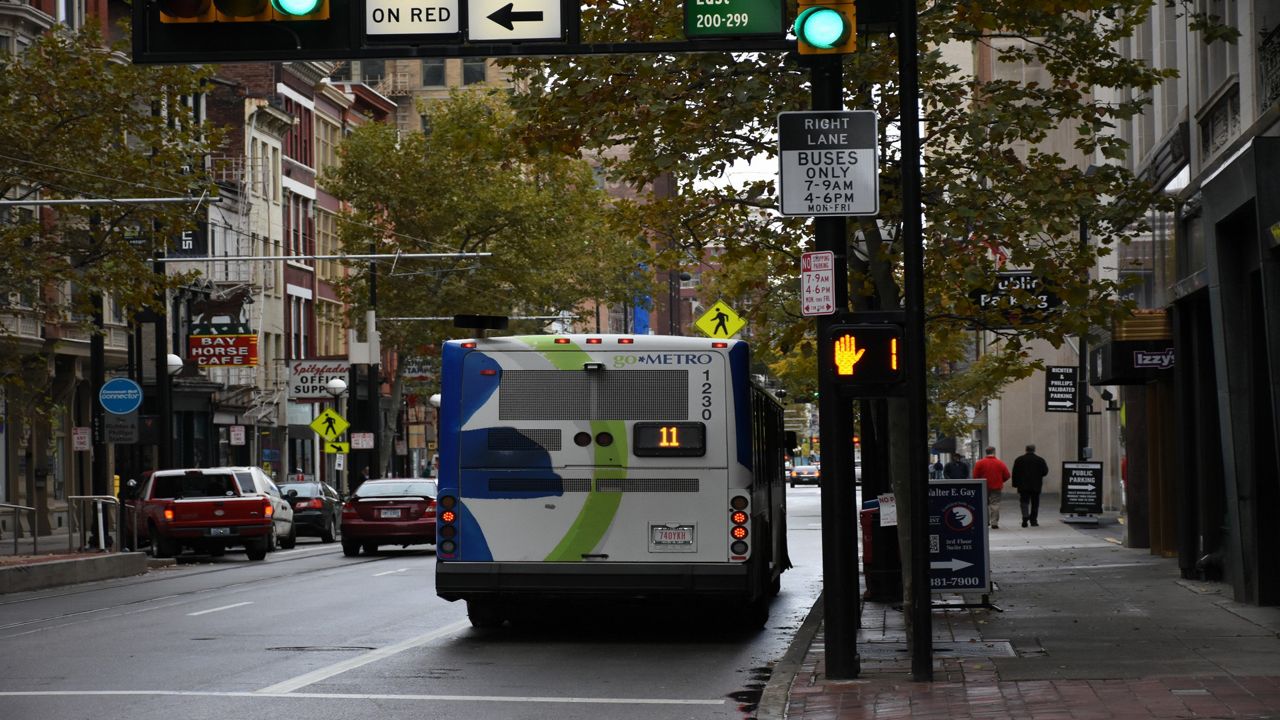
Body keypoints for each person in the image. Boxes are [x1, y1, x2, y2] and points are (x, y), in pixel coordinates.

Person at [1011, 443, 1050, 527]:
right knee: (1035, 503)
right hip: (1036, 485)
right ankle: (1033, 520)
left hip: (1023, 486)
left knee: (1024, 502)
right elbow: (1045, 472)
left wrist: (1015, 484)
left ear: (1026, 449)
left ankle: (1025, 517)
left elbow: (1014, 473)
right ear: (1034, 450)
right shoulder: (1040, 460)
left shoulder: (1019, 460)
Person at [972, 446, 1011, 529]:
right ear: (994, 452)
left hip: (983, 486)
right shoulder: (1000, 463)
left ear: (986, 452)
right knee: (995, 504)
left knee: (984, 504)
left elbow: (975, 476)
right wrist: (1000, 480)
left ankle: (985, 521)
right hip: (996, 486)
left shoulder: (980, 463)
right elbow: (1007, 475)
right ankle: (994, 522)